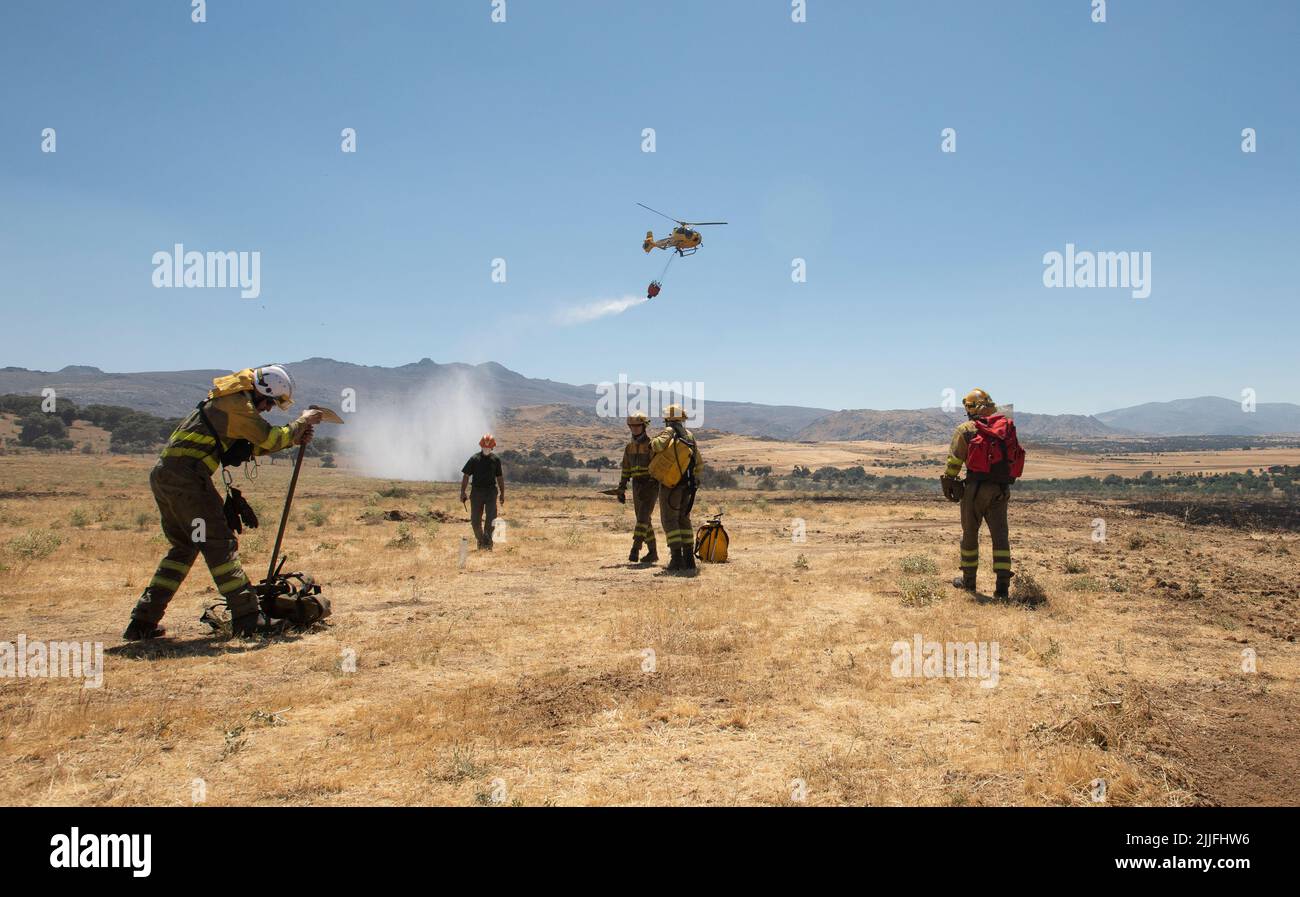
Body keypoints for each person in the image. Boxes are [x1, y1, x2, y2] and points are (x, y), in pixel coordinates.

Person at [122, 364, 322, 640]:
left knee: (184, 547)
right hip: (188, 479)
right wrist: (301, 423)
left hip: (167, 475)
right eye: (269, 403)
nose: (267, 409)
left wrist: (294, 438)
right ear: (261, 393)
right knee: (220, 545)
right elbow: (269, 437)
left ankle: (142, 621)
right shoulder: (237, 404)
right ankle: (249, 618)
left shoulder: (227, 402)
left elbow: (255, 445)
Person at [941, 389, 1020, 599]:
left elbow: (955, 461)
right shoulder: (1006, 427)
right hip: (1001, 490)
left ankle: (968, 583)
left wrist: (948, 479)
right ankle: (1002, 588)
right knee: (1001, 537)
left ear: (970, 408)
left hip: (975, 489)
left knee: (969, 534)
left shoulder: (966, 429)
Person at [649, 404, 701, 572]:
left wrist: (653, 442)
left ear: (668, 419)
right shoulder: (690, 436)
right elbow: (698, 463)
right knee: (683, 519)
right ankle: (689, 559)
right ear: (682, 419)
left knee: (669, 520)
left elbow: (656, 446)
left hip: (669, 486)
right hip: (687, 486)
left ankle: (676, 559)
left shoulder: (668, 432)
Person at [617, 413, 659, 564]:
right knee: (644, 519)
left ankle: (635, 548)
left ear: (644, 426)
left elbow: (658, 467)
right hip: (636, 485)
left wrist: (651, 483)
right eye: (631, 426)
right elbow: (626, 469)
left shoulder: (652, 445)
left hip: (650, 485)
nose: (634, 429)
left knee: (642, 518)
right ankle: (653, 552)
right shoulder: (629, 447)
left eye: (637, 425)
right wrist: (621, 488)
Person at [460, 434, 505, 550]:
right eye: (485, 447)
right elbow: (466, 475)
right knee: (475, 521)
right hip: (476, 493)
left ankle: (488, 543)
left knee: (491, 518)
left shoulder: (496, 460)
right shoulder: (474, 459)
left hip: (491, 493)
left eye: (489, 447)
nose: (486, 449)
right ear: (481, 446)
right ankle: (481, 541)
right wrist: (462, 492)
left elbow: (499, 477)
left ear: (493, 447)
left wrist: (502, 493)